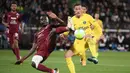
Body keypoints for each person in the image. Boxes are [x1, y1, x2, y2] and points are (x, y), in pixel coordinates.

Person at [64, 3, 102, 73]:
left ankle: (93, 56)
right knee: (67, 56)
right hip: (78, 42)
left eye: (79, 9)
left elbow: (96, 25)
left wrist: (98, 36)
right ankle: (82, 59)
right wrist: (63, 34)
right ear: (74, 11)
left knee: (89, 40)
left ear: (82, 10)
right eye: (76, 9)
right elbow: (68, 29)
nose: (78, 10)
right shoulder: (72, 19)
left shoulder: (88, 17)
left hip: (88, 38)